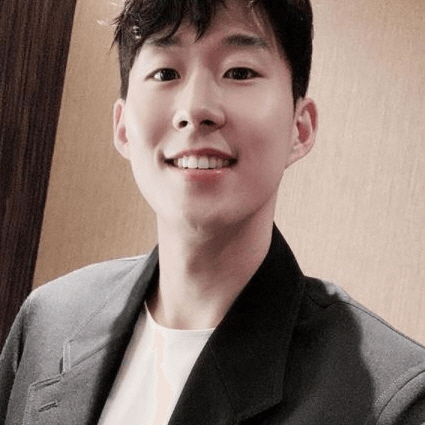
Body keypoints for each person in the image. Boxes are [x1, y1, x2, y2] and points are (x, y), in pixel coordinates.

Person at [1, 0, 425, 423]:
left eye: (239, 72)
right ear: (123, 126)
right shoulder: (48, 321)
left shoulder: (396, 398)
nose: (195, 110)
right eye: (165, 73)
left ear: (300, 127)